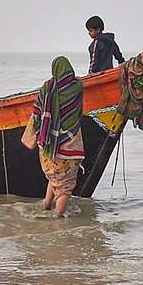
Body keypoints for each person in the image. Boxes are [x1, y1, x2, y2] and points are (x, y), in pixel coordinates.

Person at [26, 57, 86, 217]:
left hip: (48, 147)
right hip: (70, 146)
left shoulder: (47, 87)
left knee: (54, 177)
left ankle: (46, 207)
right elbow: (79, 110)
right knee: (65, 186)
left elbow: (37, 113)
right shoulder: (77, 87)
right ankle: (58, 220)